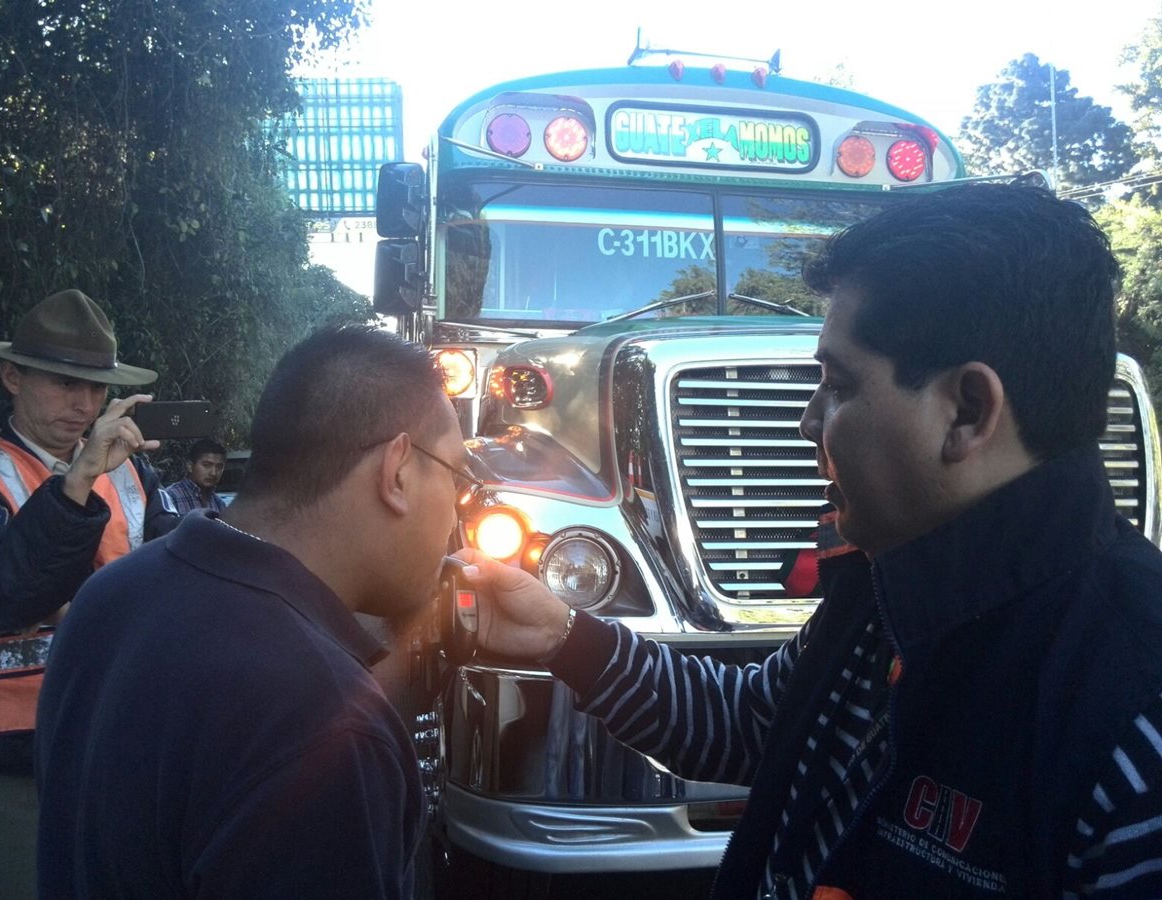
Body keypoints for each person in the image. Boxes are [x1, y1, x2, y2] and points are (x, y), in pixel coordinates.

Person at [458, 185, 1162, 898]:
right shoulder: (891, 586)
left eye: (837, 384)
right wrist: (562, 635)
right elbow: (748, 729)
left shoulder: (1135, 728)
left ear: (968, 411)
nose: (807, 421)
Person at [36, 324, 472, 898]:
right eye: (459, 476)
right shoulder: (328, 727)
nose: (457, 514)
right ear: (396, 471)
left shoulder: (110, 595)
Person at [0, 288, 179, 899]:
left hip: (124, 741)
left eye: (95, 388)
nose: (82, 404)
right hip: (19, 761)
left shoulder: (136, 471)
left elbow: (168, 575)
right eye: (61, 383)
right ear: (11, 377)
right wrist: (77, 481)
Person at [166, 437, 228, 513]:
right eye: (206, 465)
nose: (213, 473)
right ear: (190, 466)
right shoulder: (171, 497)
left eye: (219, 467)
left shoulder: (219, 504)